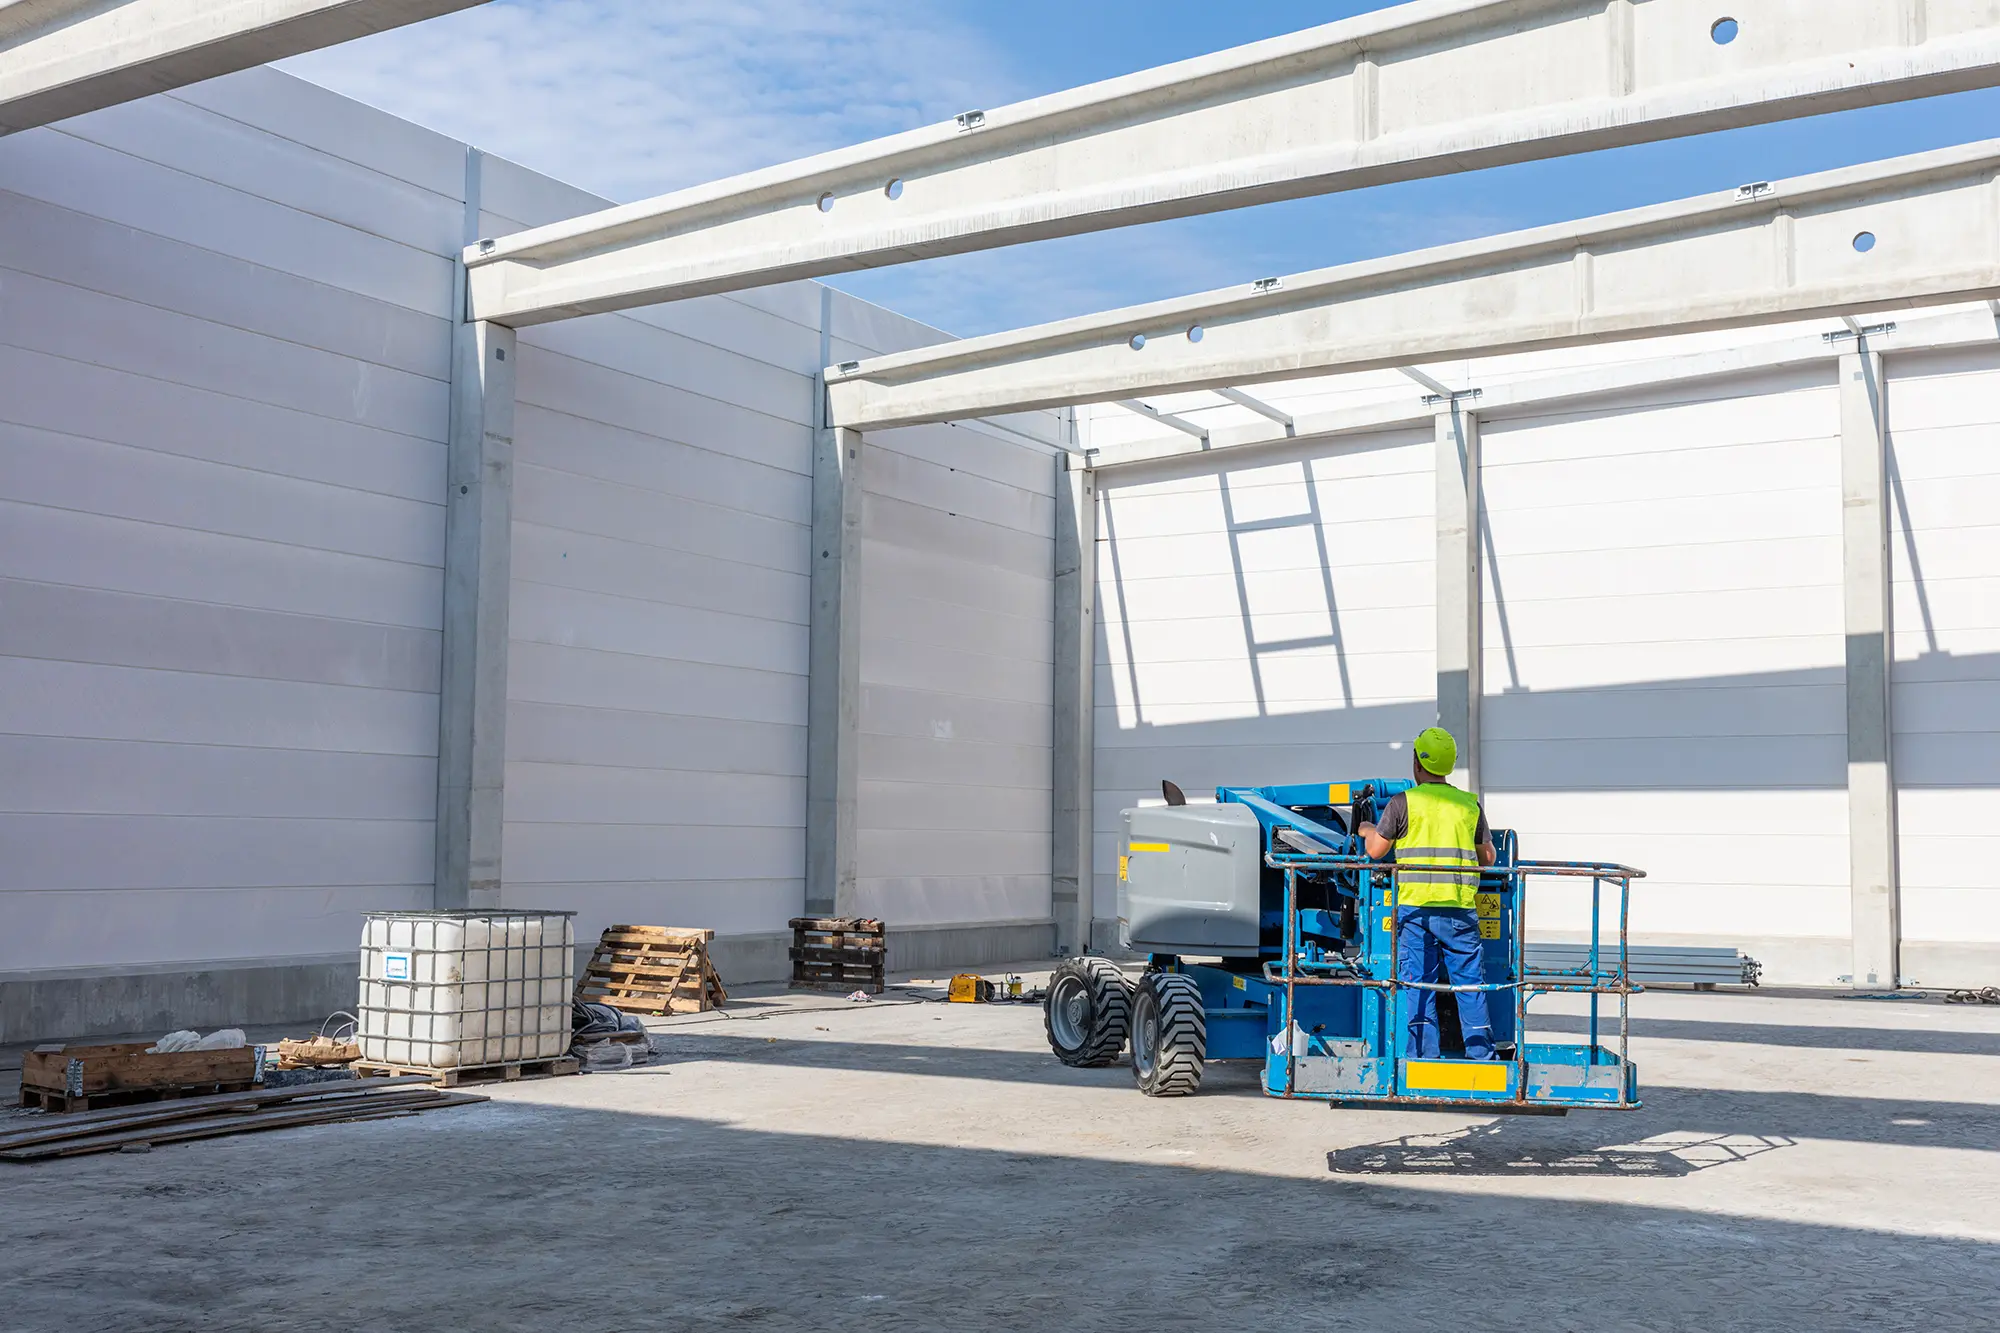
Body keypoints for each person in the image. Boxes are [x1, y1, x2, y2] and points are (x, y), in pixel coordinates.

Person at [1355, 727, 1498, 1061]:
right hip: (1460, 912)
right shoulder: (1468, 805)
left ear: (1417, 763)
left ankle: (1422, 1059)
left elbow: (1376, 851)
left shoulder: (1403, 803)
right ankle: (1483, 1058)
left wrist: (1366, 830)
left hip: (1417, 913)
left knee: (1419, 986)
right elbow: (1489, 858)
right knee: (1469, 987)